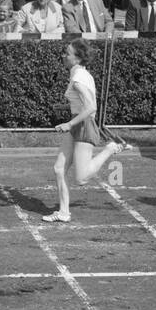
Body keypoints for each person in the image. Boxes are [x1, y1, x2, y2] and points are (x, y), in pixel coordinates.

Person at [43, 38, 128, 223]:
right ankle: (64, 212)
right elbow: (83, 104)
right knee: (59, 168)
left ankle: (110, 149)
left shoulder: (78, 77)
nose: (63, 56)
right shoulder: (80, 73)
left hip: (83, 126)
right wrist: (65, 110)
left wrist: (69, 124)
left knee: (81, 178)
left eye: (67, 53)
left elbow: (90, 108)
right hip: (78, 123)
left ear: (77, 58)